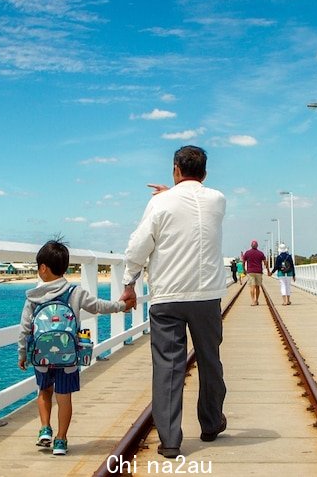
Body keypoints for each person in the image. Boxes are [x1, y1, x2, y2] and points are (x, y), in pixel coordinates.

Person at [119, 145, 227, 459]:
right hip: (206, 296)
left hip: (167, 297)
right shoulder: (218, 200)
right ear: (205, 173)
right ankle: (210, 424)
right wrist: (175, 193)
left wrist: (129, 283)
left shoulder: (159, 203)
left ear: (175, 169)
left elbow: (139, 245)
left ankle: (169, 440)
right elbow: (194, 205)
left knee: (168, 367)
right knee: (210, 361)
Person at [18, 239, 135, 456]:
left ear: (43, 268)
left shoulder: (33, 297)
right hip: (68, 356)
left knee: (44, 392)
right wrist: (121, 306)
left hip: (41, 356)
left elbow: (25, 328)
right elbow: (99, 306)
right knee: (64, 398)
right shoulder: (74, 292)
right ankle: (61, 440)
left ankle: (45, 429)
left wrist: (22, 353)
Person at [241, 240, 269, 305]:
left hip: (250, 272)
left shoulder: (247, 253)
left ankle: (253, 301)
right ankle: (256, 300)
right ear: (257, 246)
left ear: (251, 245)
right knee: (257, 287)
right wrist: (268, 271)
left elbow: (243, 262)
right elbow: (265, 263)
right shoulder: (261, 253)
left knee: (252, 287)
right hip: (258, 272)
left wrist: (244, 270)